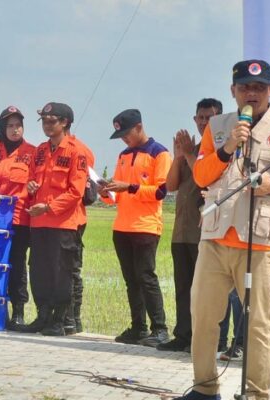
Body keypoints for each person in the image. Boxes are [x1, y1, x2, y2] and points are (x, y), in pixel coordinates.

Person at [180, 59, 270, 400]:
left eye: (259, 87)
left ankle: (257, 393)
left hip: (260, 240)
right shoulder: (217, 126)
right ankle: (204, 387)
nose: (251, 93)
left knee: (258, 323)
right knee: (203, 315)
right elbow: (200, 176)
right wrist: (228, 148)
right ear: (233, 91)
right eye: (244, 87)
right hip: (215, 237)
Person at [157, 98, 230, 353]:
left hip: (207, 231)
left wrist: (188, 154)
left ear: (220, 120)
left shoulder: (222, 150)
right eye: (200, 118)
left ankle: (214, 339)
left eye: (209, 118)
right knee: (183, 287)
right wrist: (179, 157)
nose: (203, 123)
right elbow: (171, 186)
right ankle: (183, 334)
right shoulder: (194, 148)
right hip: (182, 230)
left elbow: (205, 180)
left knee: (208, 289)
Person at [99, 109, 172, 347]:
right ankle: (138, 327)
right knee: (131, 280)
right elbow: (116, 195)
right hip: (122, 226)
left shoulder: (159, 153)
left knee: (146, 278)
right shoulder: (123, 155)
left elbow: (161, 192)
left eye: (126, 133)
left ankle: (160, 329)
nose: (123, 139)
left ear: (139, 127)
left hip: (146, 227)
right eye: (120, 135)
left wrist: (129, 186)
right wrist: (106, 193)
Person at [22, 102, 88, 336]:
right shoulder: (39, 151)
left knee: (62, 273)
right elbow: (30, 180)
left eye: (52, 121)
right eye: (44, 121)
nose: (47, 126)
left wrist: (48, 207)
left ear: (65, 123)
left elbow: (75, 192)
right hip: (39, 223)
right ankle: (42, 315)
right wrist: (30, 187)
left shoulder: (76, 152)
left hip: (63, 223)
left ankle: (60, 320)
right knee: (39, 270)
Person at [0, 106, 35, 330]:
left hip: (18, 219)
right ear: (3, 128)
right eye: (10, 125)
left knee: (17, 265)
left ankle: (18, 312)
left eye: (18, 125)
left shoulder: (32, 152)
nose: (15, 129)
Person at [64, 108, 95, 335]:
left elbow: (85, 188)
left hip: (74, 219)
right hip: (53, 221)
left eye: (51, 121)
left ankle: (74, 318)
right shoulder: (45, 150)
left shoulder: (80, 150)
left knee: (71, 269)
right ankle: (61, 316)